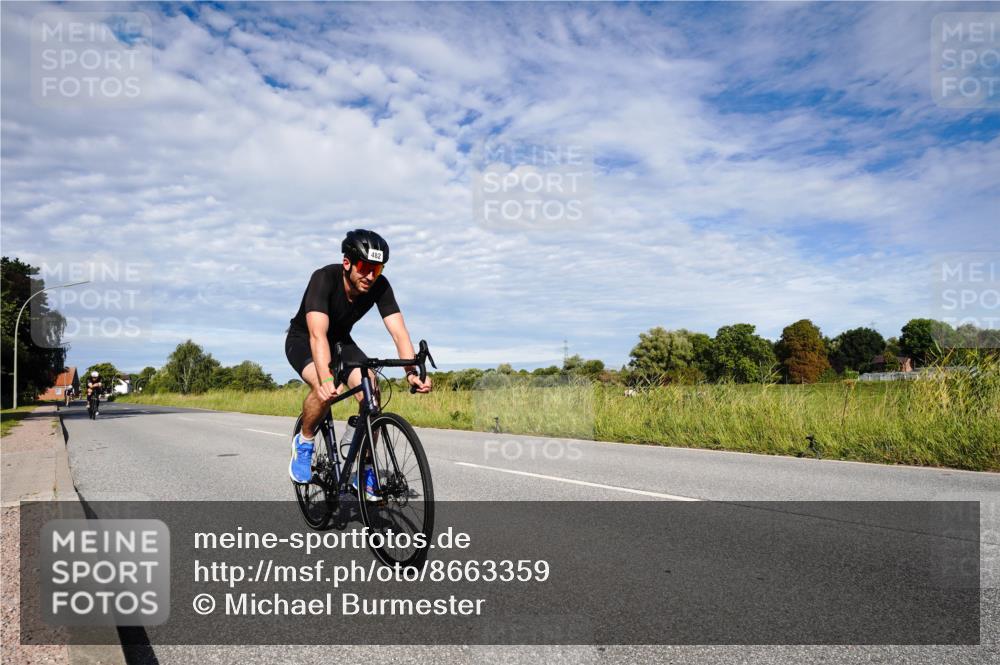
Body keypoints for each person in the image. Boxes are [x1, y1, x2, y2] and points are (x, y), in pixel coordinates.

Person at [285, 229, 432, 496]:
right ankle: (304, 441)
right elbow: (318, 335)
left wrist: (411, 371)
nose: (370, 276)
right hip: (304, 340)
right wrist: (328, 379)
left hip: (341, 341)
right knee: (322, 386)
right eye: (364, 267)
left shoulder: (380, 285)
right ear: (347, 263)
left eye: (377, 269)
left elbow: (399, 332)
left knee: (371, 390)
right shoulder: (323, 278)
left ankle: (363, 470)